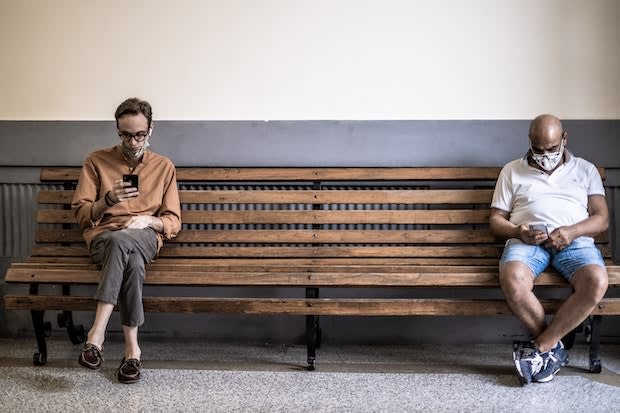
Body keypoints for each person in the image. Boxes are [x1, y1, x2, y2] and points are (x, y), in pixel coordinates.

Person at [490, 114, 608, 385]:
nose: (545, 155)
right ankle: (556, 346)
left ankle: (543, 346)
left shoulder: (585, 170)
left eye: (552, 149)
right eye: (538, 149)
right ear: (530, 142)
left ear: (564, 140)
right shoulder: (511, 171)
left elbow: (601, 218)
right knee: (512, 278)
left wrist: (572, 231)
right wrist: (518, 231)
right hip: (527, 242)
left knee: (596, 281)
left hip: (574, 241)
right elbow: (496, 220)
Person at [72, 97, 181, 383]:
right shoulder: (96, 161)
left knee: (127, 242)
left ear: (151, 129)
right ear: (117, 130)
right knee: (128, 256)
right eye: (126, 135)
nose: (133, 142)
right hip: (104, 238)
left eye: (140, 135)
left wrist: (148, 220)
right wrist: (108, 200)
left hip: (144, 235)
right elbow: (82, 215)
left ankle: (96, 335)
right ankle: (133, 351)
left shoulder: (164, 167)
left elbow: (173, 221)